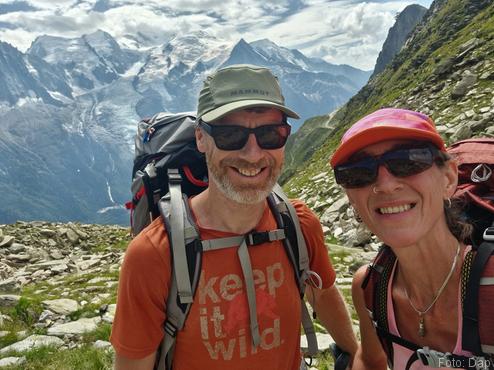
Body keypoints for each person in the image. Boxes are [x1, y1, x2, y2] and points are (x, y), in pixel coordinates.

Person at [111, 64, 358, 370]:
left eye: (270, 134)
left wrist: (358, 355)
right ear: (201, 138)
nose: (253, 154)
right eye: (230, 135)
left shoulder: (298, 225)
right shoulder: (153, 254)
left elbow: (323, 294)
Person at [329, 108, 485, 370]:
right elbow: (369, 361)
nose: (386, 185)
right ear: (352, 200)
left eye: (408, 162)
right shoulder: (370, 286)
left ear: (448, 178)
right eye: (358, 173)